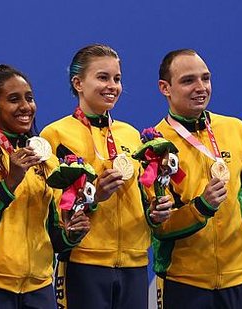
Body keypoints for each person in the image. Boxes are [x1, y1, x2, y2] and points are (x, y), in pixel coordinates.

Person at [145, 48, 242, 308]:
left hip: (239, 276)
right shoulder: (155, 145)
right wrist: (202, 207)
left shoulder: (235, 129)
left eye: (205, 78)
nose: (201, 87)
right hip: (183, 281)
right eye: (188, 80)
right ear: (165, 88)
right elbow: (160, 226)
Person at [41, 44, 172, 309]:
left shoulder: (132, 135)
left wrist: (157, 209)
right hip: (84, 262)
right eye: (102, 77)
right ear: (78, 83)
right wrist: (94, 196)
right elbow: (53, 210)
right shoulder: (55, 135)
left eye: (117, 79)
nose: (112, 85)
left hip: (134, 262)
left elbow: (145, 193)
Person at [0, 64, 91, 309]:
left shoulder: (45, 158)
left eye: (29, 98)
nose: (26, 107)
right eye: (14, 99)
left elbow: (53, 233)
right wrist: (10, 182)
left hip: (39, 288)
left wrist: (70, 234)